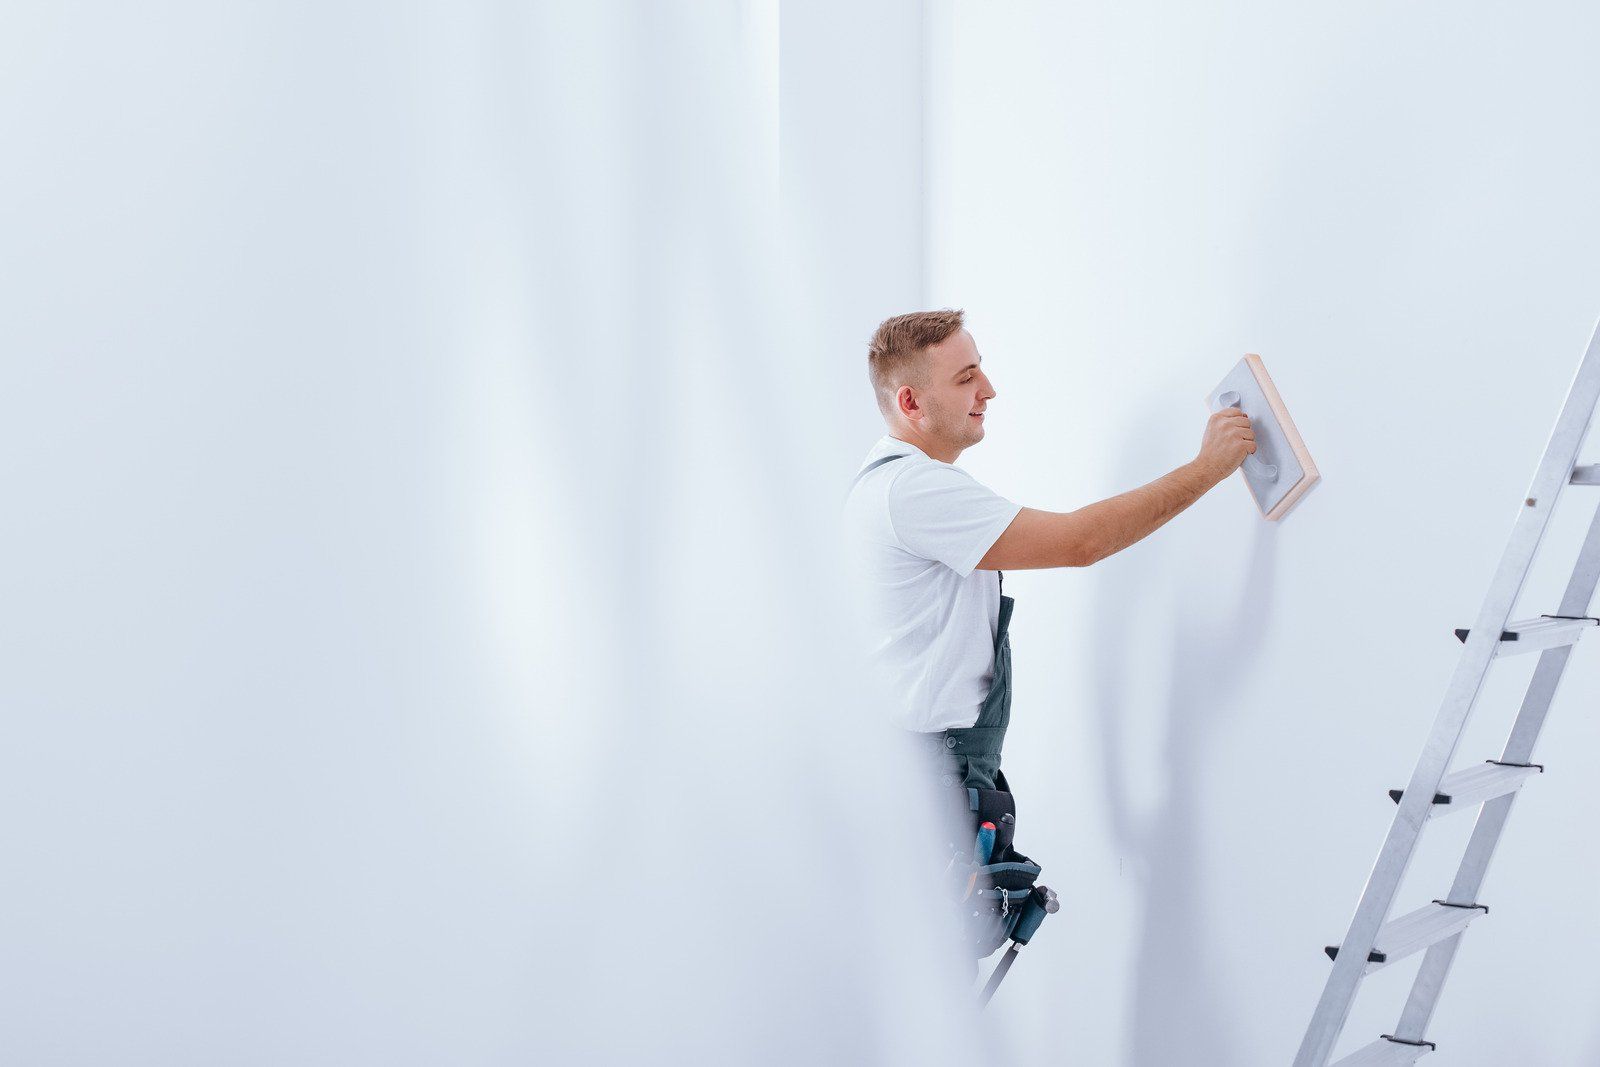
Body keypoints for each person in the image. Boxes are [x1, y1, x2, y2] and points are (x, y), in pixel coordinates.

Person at [841, 307, 1255, 960]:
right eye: (967, 376)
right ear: (911, 400)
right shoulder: (909, 491)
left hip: (941, 779)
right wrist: (1209, 467)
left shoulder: (902, 489)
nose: (989, 390)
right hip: (929, 787)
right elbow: (1080, 541)